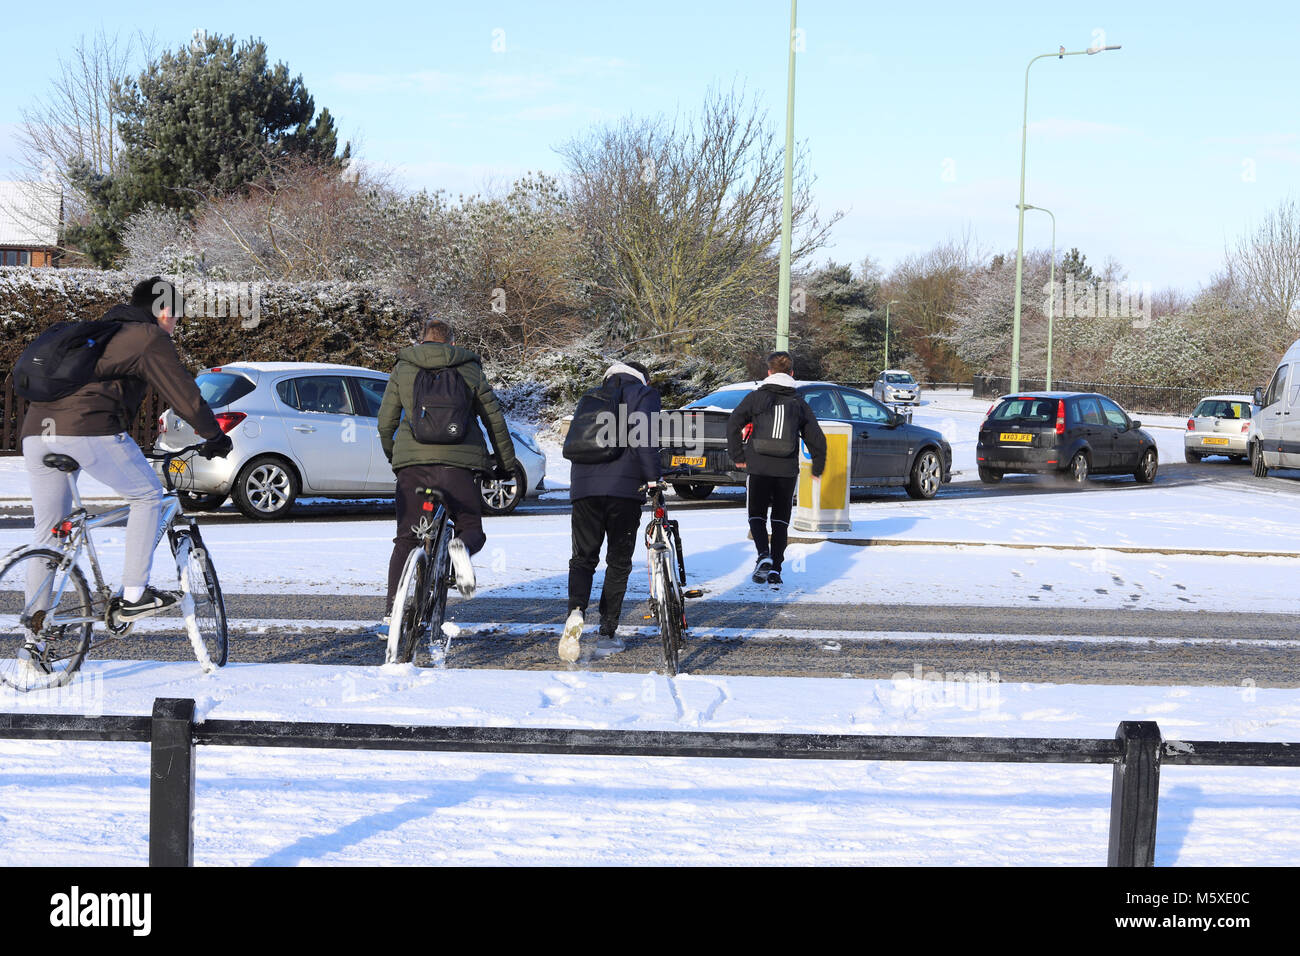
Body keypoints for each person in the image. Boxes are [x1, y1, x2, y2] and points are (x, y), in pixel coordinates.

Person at [22, 277, 232, 640]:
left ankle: (33, 643)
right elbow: (185, 395)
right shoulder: (147, 337)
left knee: (48, 535)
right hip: (88, 429)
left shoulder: (100, 332)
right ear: (163, 311)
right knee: (148, 495)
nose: (175, 325)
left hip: (37, 432)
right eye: (176, 317)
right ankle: (134, 595)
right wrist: (213, 435)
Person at [377, 317, 517, 630]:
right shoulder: (469, 368)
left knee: (406, 539)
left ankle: (392, 612)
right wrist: (505, 464)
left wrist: (397, 458)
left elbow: (385, 422)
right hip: (459, 467)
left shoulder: (404, 367)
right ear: (451, 343)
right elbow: (495, 421)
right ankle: (460, 548)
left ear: (421, 340)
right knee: (470, 528)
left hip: (412, 468)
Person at [559, 361, 661, 662]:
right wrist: (653, 478)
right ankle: (606, 634)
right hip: (624, 490)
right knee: (617, 562)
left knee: (583, 557)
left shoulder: (590, 396)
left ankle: (576, 610)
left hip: (584, 489)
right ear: (642, 377)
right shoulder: (644, 395)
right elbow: (645, 440)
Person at [726, 351, 826, 587]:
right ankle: (776, 570)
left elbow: (733, 423)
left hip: (758, 466)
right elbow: (816, 437)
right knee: (780, 520)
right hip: (787, 470)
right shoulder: (799, 402)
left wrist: (737, 455)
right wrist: (818, 466)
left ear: (768, 373)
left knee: (756, 515)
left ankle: (763, 555)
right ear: (792, 373)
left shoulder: (755, 397)